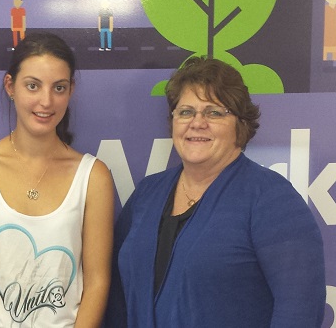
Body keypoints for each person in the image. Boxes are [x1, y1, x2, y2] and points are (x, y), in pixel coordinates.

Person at [105, 56, 326, 327]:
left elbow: (300, 311)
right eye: (185, 112)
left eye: (214, 112)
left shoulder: (272, 200)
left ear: (240, 125)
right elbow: (116, 298)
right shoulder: (147, 194)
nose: (197, 122)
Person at [0, 32, 114, 327]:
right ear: (11, 86)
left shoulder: (94, 176)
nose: (46, 101)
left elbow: (97, 281)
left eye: (59, 87)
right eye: (33, 86)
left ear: (70, 91)